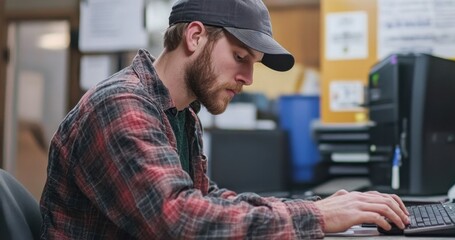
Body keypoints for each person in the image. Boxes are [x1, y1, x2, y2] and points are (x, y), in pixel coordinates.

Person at [40, 0, 410, 239]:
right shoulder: (121, 105)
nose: (249, 78)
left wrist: (315, 207)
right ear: (195, 36)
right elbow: (178, 219)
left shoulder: (180, 114)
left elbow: (204, 199)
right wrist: (314, 216)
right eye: (240, 56)